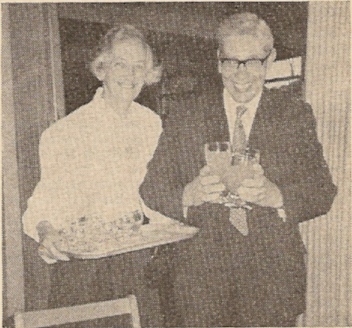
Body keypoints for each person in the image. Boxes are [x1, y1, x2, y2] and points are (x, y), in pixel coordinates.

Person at [140, 12, 337, 327]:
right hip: (200, 284)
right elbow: (152, 187)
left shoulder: (293, 115)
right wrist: (189, 194)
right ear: (219, 61)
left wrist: (277, 196)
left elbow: (322, 190)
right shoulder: (187, 114)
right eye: (231, 62)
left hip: (272, 283)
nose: (240, 75)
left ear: (270, 60)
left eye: (253, 62)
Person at [22, 25, 163, 327]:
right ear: (101, 68)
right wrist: (47, 233)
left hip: (138, 268)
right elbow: (45, 204)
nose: (129, 74)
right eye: (119, 64)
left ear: (148, 73)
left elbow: (159, 197)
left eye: (138, 66)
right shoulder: (66, 132)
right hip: (85, 273)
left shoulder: (154, 127)